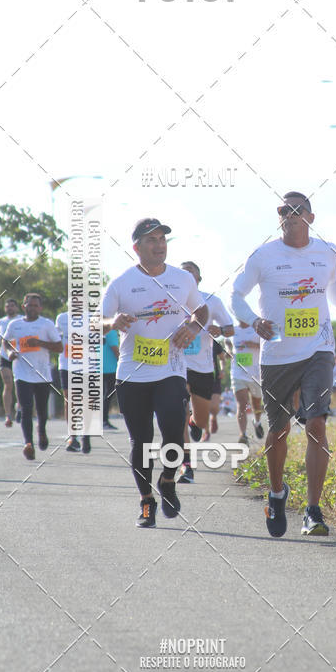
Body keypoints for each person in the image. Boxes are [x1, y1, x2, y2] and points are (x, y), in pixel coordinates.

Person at [231, 191, 336, 537]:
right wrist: (254, 321)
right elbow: (235, 295)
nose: (289, 215)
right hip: (277, 354)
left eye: (297, 210)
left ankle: (313, 511)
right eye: (284, 210)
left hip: (319, 349)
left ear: (310, 218)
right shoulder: (263, 255)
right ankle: (276, 493)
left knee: (317, 422)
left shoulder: (327, 251)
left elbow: (332, 283)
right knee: (280, 429)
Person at [102, 219, 207, 527]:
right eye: (151, 240)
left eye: (162, 239)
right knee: (141, 439)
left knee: (174, 428)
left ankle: (169, 479)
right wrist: (112, 323)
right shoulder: (121, 283)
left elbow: (201, 310)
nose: (159, 245)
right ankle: (146, 501)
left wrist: (192, 327)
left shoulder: (182, 279)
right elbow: (98, 320)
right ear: (136, 247)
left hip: (171, 368)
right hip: (132, 372)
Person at [177, 261, 234, 482]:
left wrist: (220, 330)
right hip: (176, 367)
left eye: (192, 274)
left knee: (200, 420)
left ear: (199, 280)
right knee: (178, 414)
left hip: (203, 368)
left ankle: (194, 423)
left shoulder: (212, 301)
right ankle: (186, 465)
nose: (187, 278)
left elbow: (230, 329)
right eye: (183, 274)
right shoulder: (169, 301)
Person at [4, 293, 62, 460]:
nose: (32, 308)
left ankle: (41, 431)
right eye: (30, 305)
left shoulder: (46, 324)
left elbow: (59, 347)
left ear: (40, 308)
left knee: (42, 411)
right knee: (26, 407)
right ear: (24, 306)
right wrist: (10, 353)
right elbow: (6, 341)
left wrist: (40, 343)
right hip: (21, 373)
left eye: (36, 306)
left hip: (42, 374)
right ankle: (28, 443)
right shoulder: (15, 325)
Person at [55, 306, 91, 453]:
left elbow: (102, 339)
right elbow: (56, 339)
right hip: (66, 364)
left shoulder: (91, 317)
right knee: (70, 400)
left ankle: (86, 434)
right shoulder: (62, 318)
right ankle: (72, 437)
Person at [229, 320, 264, 444]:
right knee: (241, 403)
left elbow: (269, 345)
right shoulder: (232, 330)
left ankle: (257, 421)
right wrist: (229, 351)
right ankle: (242, 434)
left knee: (256, 404)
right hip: (238, 372)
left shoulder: (257, 329)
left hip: (255, 374)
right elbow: (227, 343)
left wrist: (255, 345)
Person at [0, 297, 19, 426]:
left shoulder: (21, 320)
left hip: (19, 356)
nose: (9, 308)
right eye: (7, 306)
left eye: (12, 306)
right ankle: (8, 415)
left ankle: (20, 408)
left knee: (19, 384)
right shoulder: (1, 321)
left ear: (16, 307)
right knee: (8, 384)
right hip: (4, 356)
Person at [102, 328, 120, 429]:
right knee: (108, 395)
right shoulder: (111, 331)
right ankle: (104, 421)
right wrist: (122, 362)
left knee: (102, 395)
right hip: (110, 368)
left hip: (99, 367)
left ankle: (101, 420)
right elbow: (115, 349)